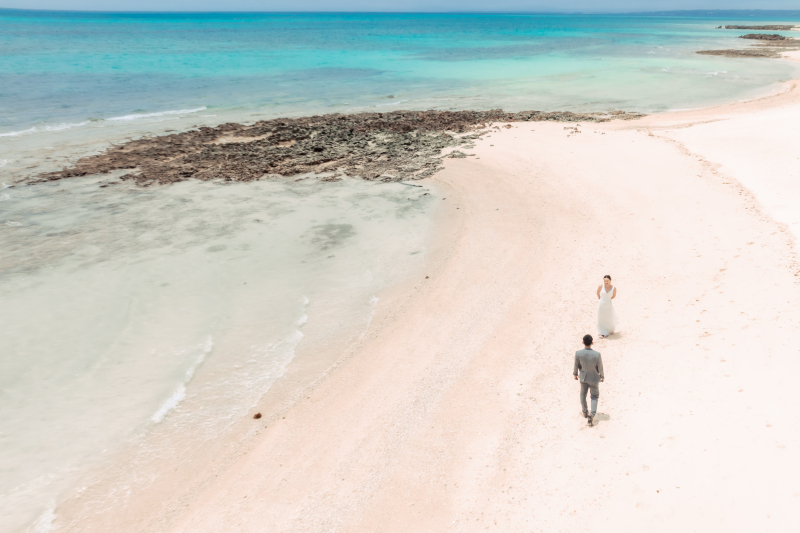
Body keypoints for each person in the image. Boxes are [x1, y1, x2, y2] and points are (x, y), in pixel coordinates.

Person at [573, 334, 604, 426]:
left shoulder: (578, 353)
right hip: (594, 378)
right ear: (592, 343)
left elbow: (576, 365)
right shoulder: (597, 354)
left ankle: (585, 412)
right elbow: (600, 368)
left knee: (583, 395)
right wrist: (602, 376)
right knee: (594, 396)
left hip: (583, 378)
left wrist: (575, 374)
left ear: (583, 342)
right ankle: (592, 414)